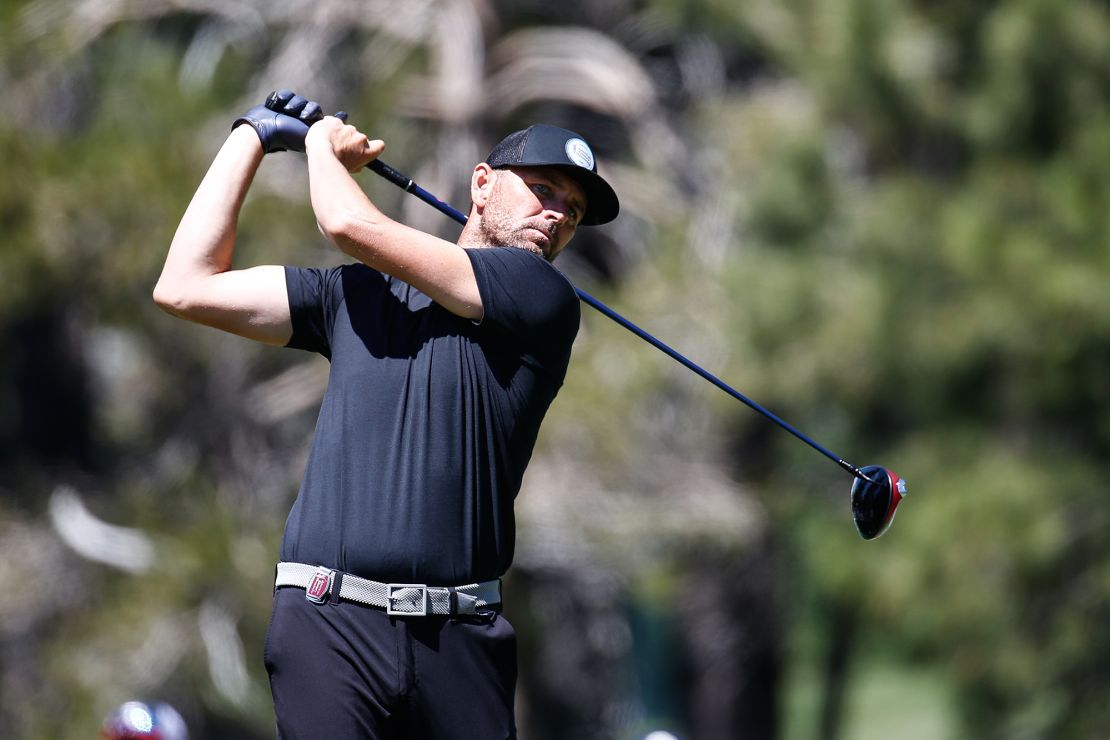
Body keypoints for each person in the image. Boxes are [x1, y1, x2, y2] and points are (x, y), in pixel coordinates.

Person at [153, 91, 619, 739]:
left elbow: (348, 226)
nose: (558, 215)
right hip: (327, 627)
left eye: (573, 210)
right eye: (543, 189)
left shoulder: (541, 296)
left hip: (459, 639)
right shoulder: (352, 295)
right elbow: (184, 285)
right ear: (482, 185)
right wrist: (253, 136)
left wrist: (319, 146)